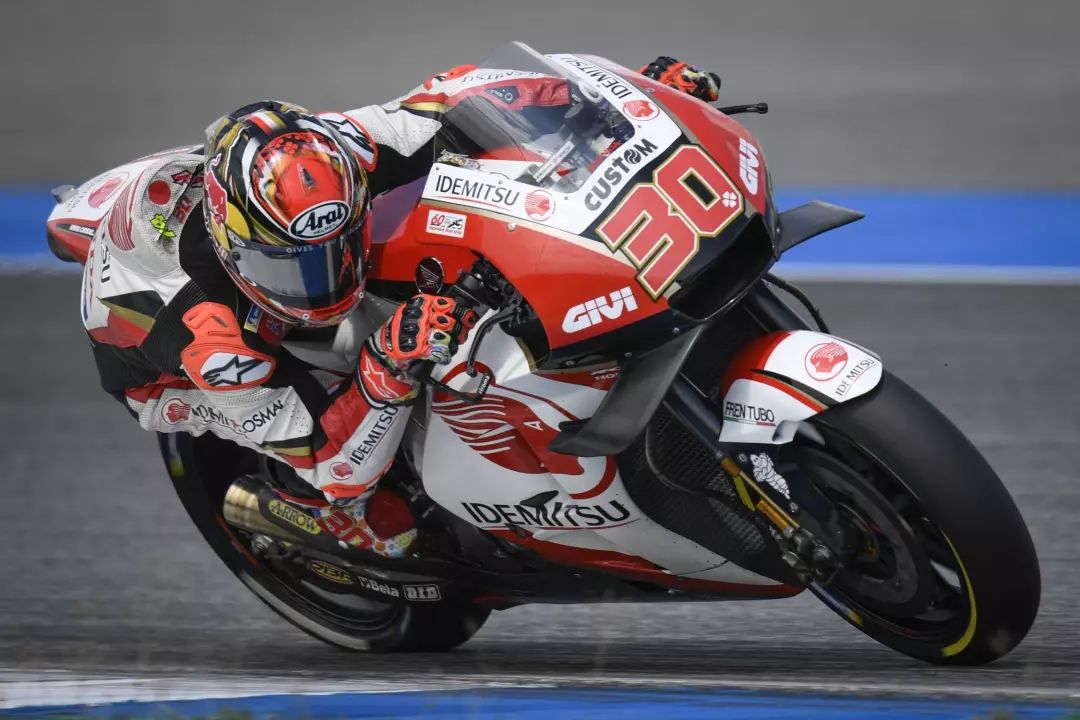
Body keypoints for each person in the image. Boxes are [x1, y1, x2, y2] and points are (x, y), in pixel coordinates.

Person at [62, 56, 720, 558]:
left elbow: (456, 96)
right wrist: (386, 362)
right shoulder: (210, 336)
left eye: (334, 251)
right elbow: (334, 458)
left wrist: (627, 98)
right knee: (379, 511)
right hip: (173, 372)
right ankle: (320, 522)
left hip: (213, 214)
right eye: (290, 267)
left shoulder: (341, 149)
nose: (321, 285)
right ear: (235, 245)